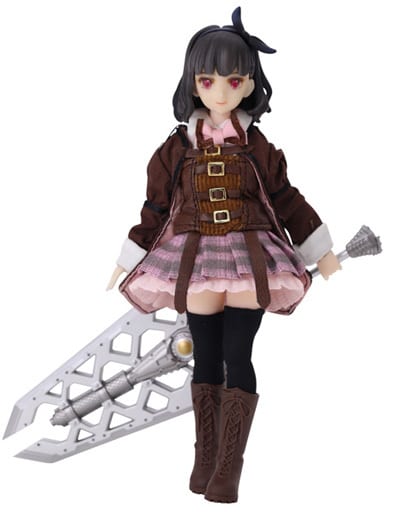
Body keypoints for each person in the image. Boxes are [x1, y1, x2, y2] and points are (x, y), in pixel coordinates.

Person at [107, 7, 341, 503]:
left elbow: (285, 198)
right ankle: (206, 459)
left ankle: (228, 468)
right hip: (193, 259)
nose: (219, 92)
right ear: (193, 83)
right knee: (206, 359)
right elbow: (156, 207)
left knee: (239, 355)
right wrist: (130, 254)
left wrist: (319, 247)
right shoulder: (175, 149)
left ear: (249, 84)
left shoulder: (258, 147)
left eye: (233, 81)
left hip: (249, 258)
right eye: (208, 80)